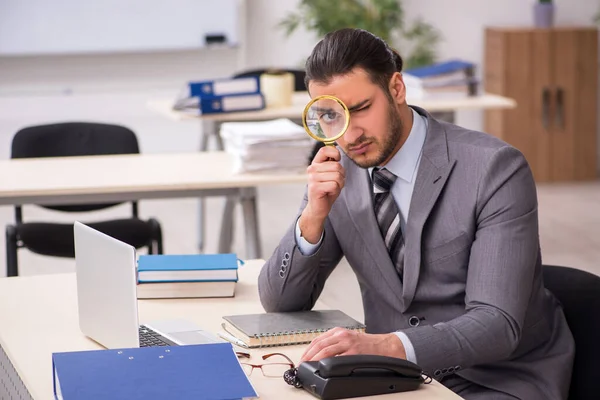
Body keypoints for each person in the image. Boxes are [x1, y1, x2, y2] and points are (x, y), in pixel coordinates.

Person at [258, 28, 574, 400]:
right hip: (395, 381)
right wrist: (312, 216)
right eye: (330, 115)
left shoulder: (495, 169)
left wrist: (387, 347)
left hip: (498, 380)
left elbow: (497, 325)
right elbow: (281, 304)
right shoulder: (338, 170)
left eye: (360, 108)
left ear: (396, 88)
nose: (349, 134)